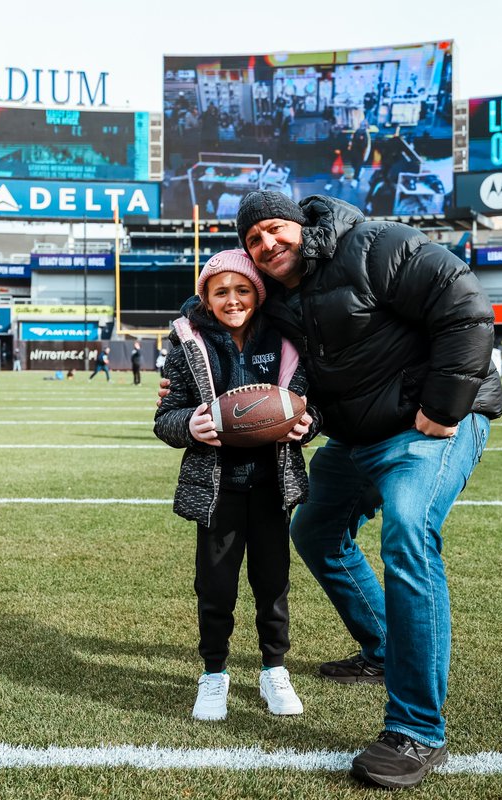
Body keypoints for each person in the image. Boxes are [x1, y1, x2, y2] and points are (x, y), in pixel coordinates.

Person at [232, 191, 502, 788]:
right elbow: (214, 308)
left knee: (408, 532)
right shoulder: (276, 296)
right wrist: (182, 374)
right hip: (358, 435)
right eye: (254, 240)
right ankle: (383, 648)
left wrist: (445, 403)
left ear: (301, 224)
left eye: (274, 229)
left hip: (429, 424)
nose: (267, 244)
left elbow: (463, 302)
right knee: (314, 530)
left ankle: (416, 730)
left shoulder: (375, 243)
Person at [154, 250, 318, 724]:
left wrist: (306, 424)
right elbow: (165, 417)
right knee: (215, 586)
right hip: (217, 487)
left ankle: (274, 669)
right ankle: (214, 673)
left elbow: (312, 408)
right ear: (205, 298)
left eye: (242, 289)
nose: (232, 300)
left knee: (273, 583)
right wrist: (190, 425)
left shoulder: (285, 340)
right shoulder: (189, 345)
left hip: (272, 484)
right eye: (220, 291)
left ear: (258, 294)